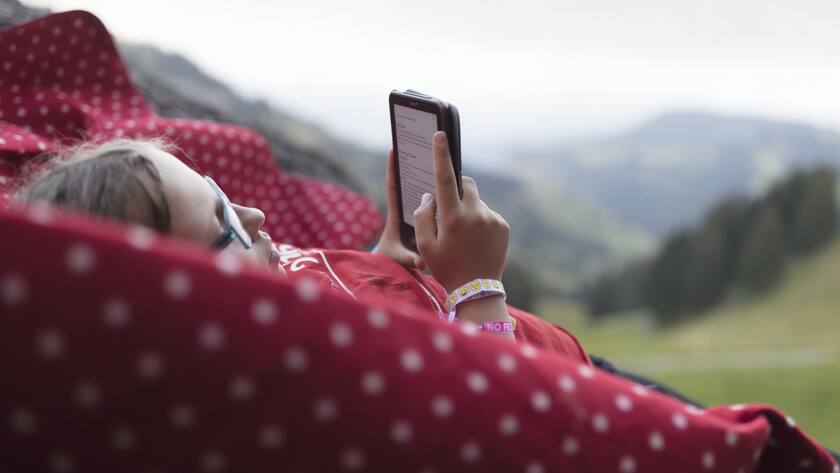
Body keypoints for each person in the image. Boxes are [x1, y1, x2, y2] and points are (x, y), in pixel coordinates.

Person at [16, 132, 591, 362]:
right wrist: (477, 288)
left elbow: (345, 294)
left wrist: (384, 264)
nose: (256, 214)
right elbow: (496, 428)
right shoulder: (321, 371)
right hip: (571, 387)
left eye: (220, 192)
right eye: (224, 224)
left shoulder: (265, 280)